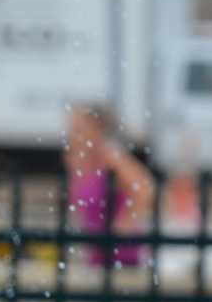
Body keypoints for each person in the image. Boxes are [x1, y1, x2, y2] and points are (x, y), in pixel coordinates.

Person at [66, 103, 157, 268]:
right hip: (95, 250)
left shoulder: (110, 156)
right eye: (74, 127)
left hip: (121, 250)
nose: (75, 132)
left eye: (80, 127)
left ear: (96, 127)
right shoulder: (75, 160)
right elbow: (75, 207)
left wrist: (123, 222)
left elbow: (146, 189)